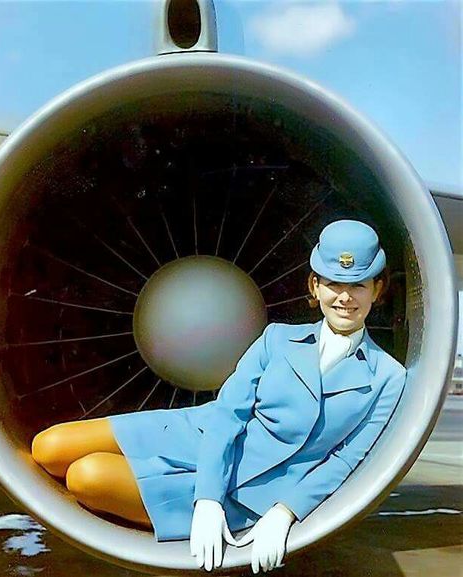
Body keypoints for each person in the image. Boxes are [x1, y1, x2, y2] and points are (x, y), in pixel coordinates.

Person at [31, 219, 406, 574]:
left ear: (377, 289)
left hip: (252, 490)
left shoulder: (388, 376)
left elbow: (346, 459)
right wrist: (207, 498)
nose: (344, 297)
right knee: (48, 447)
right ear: (314, 287)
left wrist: (285, 512)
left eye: (357, 285)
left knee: (86, 476)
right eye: (332, 283)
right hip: (202, 434)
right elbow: (228, 412)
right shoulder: (277, 338)